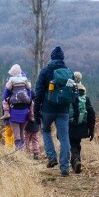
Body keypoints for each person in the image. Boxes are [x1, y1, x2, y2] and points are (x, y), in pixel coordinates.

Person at [34, 45, 76, 176]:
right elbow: (74, 94)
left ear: (51, 58)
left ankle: (52, 157)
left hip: (48, 109)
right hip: (63, 110)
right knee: (64, 137)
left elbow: (39, 93)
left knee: (46, 130)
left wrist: (36, 112)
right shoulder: (69, 72)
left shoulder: (46, 71)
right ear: (62, 58)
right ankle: (64, 168)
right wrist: (74, 111)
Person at [68, 72, 96, 173]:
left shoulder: (69, 94)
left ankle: (76, 160)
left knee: (72, 144)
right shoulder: (85, 96)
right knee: (77, 142)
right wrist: (91, 129)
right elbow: (91, 114)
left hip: (70, 125)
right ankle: (77, 162)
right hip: (82, 126)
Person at [2, 64, 34, 151]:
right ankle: (22, 152)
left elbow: (5, 96)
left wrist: (5, 100)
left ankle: (19, 153)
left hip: (14, 112)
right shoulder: (25, 81)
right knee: (21, 133)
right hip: (25, 112)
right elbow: (30, 93)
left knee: (17, 136)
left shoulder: (11, 81)